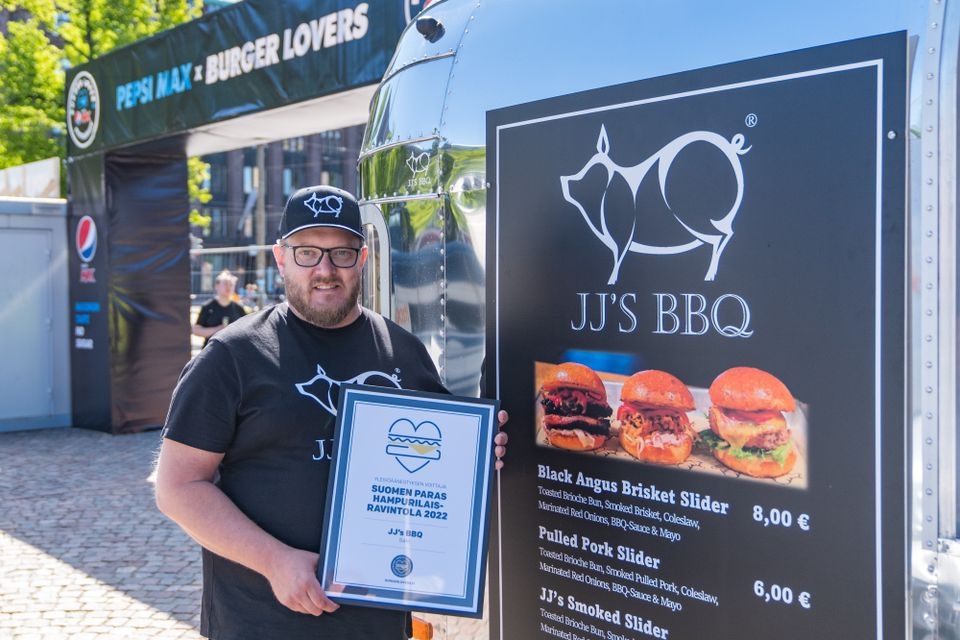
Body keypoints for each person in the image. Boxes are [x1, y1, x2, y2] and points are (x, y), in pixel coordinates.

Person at [155, 185, 508, 640]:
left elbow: (436, 459)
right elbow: (178, 486)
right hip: (261, 623)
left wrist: (478, 455)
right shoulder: (233, 356)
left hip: (377, 624)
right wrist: (275, 561)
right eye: (307, 253)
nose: (325, 270)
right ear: (281, 258)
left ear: (362, 259)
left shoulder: (403, 352)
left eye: (341, 253)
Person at [192, 270, 248, 347]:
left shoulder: (239, 308)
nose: (228, 287)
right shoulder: (208, 307)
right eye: (225, 283)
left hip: (232, 350)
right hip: (211, 349)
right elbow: (196, 330)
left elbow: (246, 330)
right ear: (217, 286)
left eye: (231, 284)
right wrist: (217, 329)